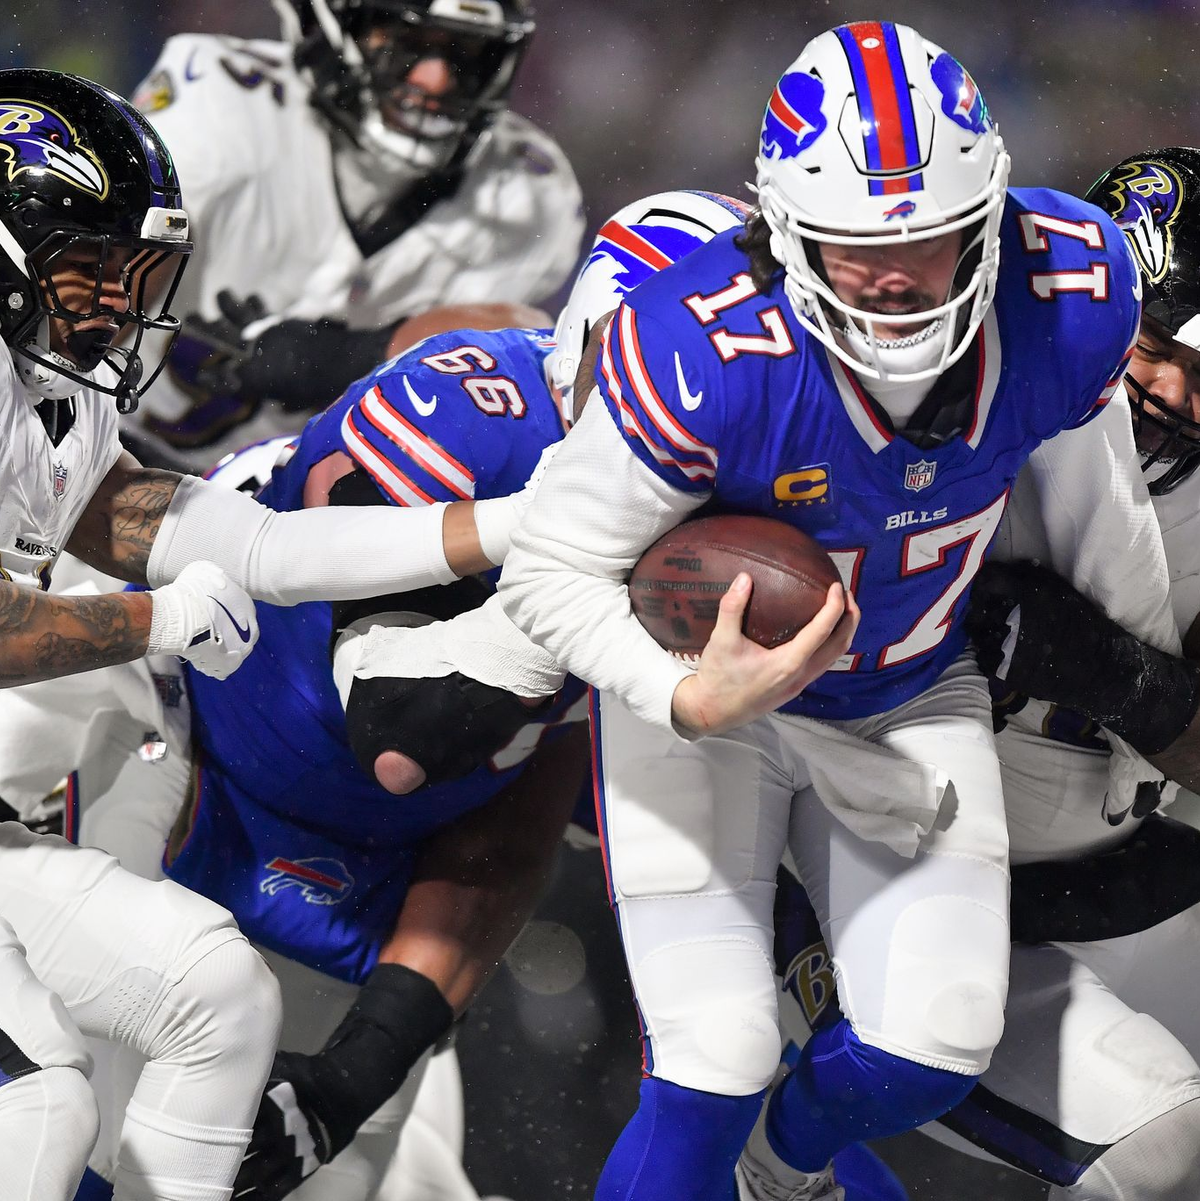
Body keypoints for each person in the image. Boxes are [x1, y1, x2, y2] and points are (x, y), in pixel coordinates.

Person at [480, 22, 1178, 1201]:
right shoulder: (705, 343)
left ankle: (780, 1166)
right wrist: (683, 691)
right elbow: (545, 573)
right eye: (857, 248)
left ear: (995, 216)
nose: (897, 276)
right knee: (717, 1052)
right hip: (700, 701)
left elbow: (1091, 496)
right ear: (785, 230)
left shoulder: (1074, 286)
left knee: (935, 1046)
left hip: (910, 682)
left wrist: (1131, 674)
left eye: (933, 236)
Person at [0, 191, 750, 1201]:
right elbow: (395, 731)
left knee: (363, 1158)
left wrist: (364, 1066)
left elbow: (513, 806)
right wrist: (554, 565)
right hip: (178, 727)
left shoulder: (751, 515)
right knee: (70, 1107)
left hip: (372, 848)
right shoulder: (466, 408)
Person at [0, 65, 558, 1201]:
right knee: (53, 1107)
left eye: (132, 273)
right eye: (87, 268)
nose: (114, 305)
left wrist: (499, 525)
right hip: (76, 752)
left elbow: (258, 549)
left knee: (214, 1000)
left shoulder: (49, 392)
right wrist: (157, 617)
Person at [125, 0, 583, 463]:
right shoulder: (223, 98)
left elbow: (521, 352)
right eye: (406, 44)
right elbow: (106, 276)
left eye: (467, 52)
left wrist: (337, 358)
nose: (435, 80)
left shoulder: (525, 189)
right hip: (111, 444)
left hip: (298, 504)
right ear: (327, 24)